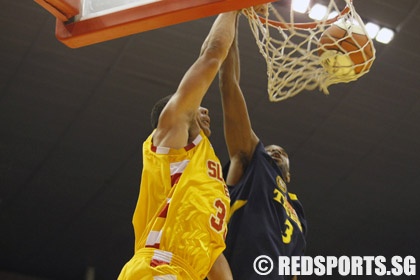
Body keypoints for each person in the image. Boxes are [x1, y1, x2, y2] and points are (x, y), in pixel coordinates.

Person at [118, 11, 240, 280]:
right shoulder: (170, 137)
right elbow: (211, 55)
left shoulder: (204, 166)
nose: (204, 109)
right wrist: (233, 6)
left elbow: (212, 252)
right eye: (196, 106)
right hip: (158, 267)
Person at [219, 12, 308, 280]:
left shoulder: (298, 213)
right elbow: (229, 85)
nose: (274, 151)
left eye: (280, 152)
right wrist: (231, 14)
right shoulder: (251, 163)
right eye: (269, 149)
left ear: (289, 176)